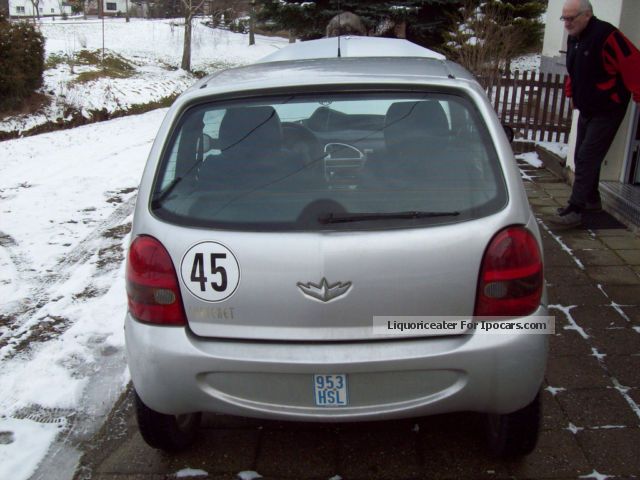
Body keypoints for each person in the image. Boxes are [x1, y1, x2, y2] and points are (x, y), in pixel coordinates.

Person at [550, 0, 640, 228]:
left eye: (571, 18)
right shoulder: (575, 37)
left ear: (587, 15)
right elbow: (576, 67)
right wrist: (572, 89)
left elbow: (633, 62)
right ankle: (591, 200)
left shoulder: (607, 35)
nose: (566, 23)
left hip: (609, 107)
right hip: (588, 107)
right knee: (583, 152)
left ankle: (575, 209)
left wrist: (638, 92)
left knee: (586, 157)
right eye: (564, 18)